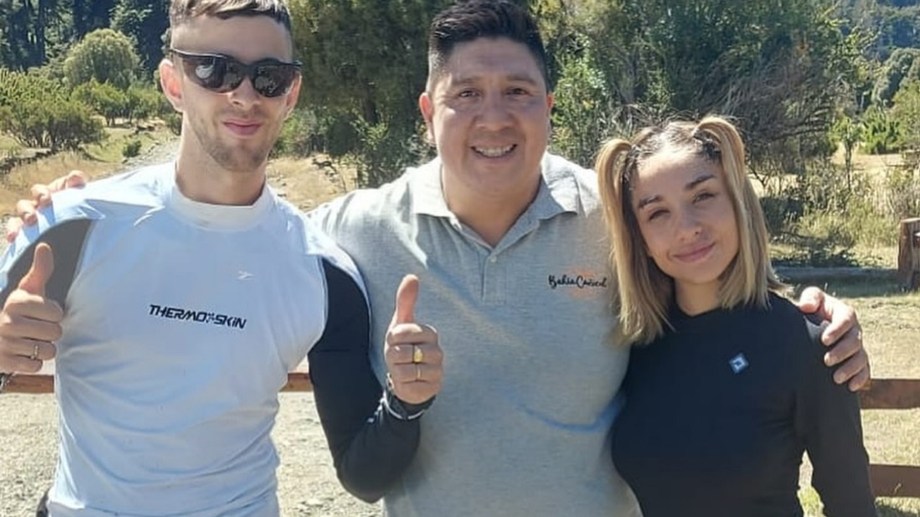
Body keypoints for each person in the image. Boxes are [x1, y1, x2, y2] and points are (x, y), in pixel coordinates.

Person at [7, 1, 869, 515]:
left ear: (549, 105)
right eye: (466, 95)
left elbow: (700, 261)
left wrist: (812, 316)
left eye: (517, 92)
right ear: (427, 110)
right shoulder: (348, 233)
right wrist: (63, 218)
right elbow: (212, 237)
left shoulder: (609, 213)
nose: (493, 117)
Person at [0, 1, 441, 515]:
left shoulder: (323, 271)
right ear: (172, 83)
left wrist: (407, 400)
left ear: (291, 93)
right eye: (214, 69)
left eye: (269, 77)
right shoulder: (71, 227)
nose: (244, 95)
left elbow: (363, 477)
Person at [598, 117, 876, 516]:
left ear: (737, 201)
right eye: (657, 213)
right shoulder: (631, 348)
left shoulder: (808, 343)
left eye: (702, 196)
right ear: (639, 238)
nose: (686, 228)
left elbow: (853, 506)